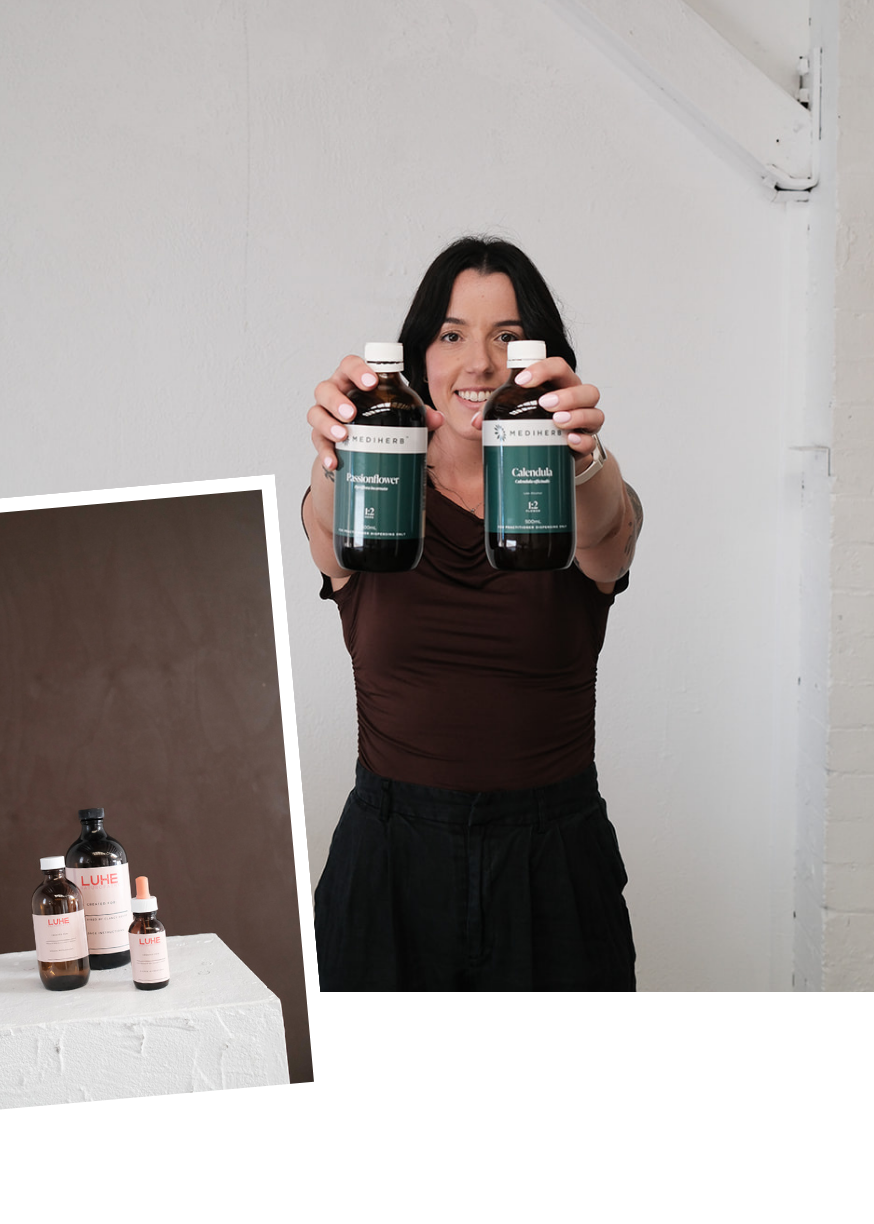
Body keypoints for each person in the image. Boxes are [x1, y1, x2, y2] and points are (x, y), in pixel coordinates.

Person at [302, 237, 641, 1130]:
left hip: (551, 864)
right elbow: (327, 531)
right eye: (452, 334)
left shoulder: (565, 488)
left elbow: (611, 534)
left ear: (540, 357)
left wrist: (580, 462)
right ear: (418, 358)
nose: (478, 361)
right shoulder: (376, 484)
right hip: (387, 867)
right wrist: (336, 448)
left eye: (507, 334)